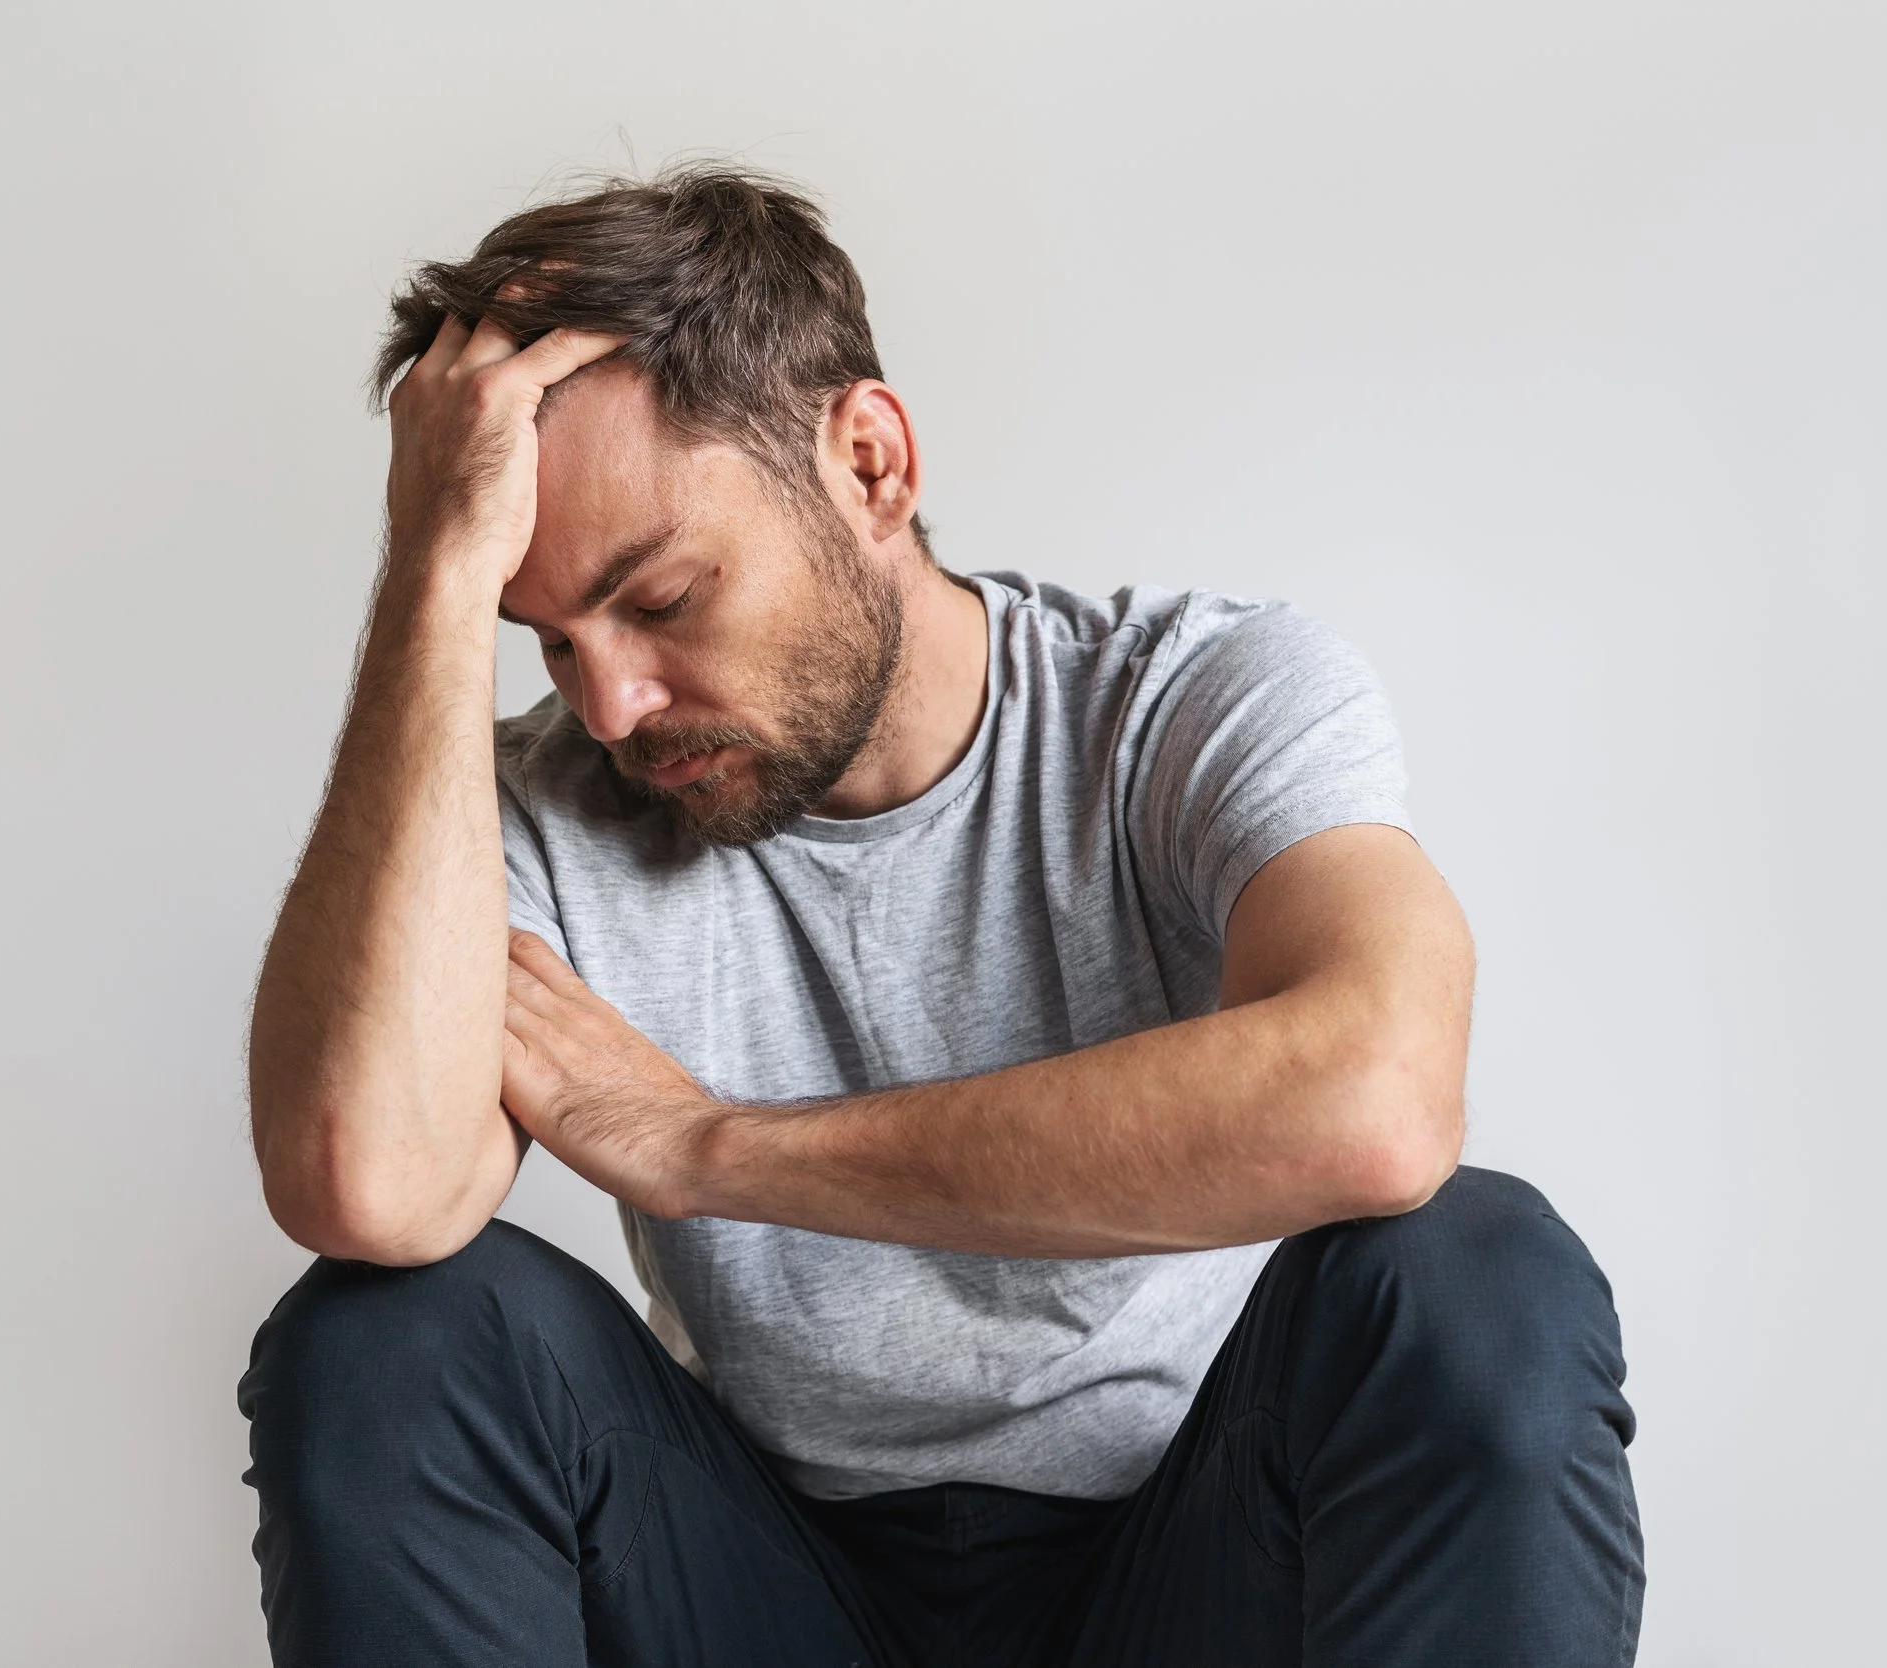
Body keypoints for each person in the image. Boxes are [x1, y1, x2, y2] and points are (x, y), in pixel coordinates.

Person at [237, 166, 1643, 1668]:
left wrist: (713, 1151)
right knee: (381, 1342)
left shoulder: (1187, 703)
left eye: (660, 599)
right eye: (546, 636)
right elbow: (368, 1185)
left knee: (1474, 1276)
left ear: (869, 462)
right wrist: (434, 575)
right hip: (768, 1594)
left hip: (1193, 1572)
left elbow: (1376, 1101)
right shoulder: (537, 807)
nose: (612, 703)